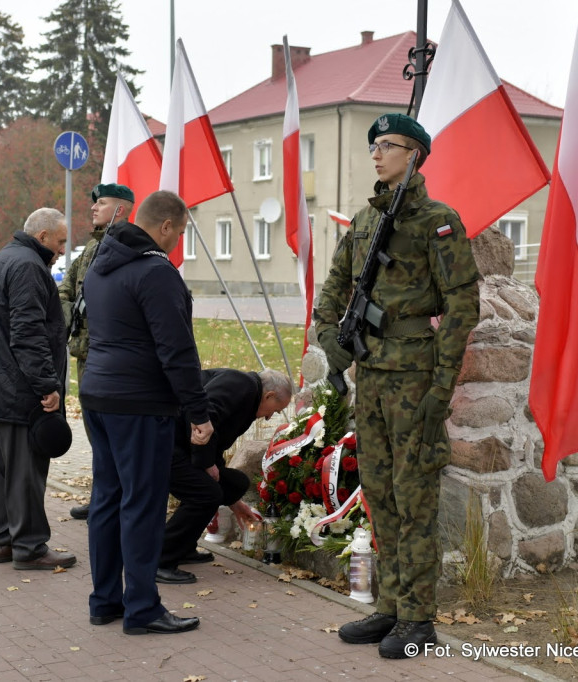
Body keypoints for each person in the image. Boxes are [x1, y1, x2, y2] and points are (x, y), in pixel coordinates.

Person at [313, 113, 480, 659]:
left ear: (415, 155)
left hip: (414, 378)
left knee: (415, 501)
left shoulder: (438, 221)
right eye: (374, 145)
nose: (377, 153)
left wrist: (440, 387)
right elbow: (334, 288)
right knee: (381, 496)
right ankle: (390, 605)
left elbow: (462, 306)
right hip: (372, 378)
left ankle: (418, 619)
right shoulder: (364, 221)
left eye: (389, 145)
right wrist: (334, 344)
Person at [80, 190, 214, 636]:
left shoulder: (101, 263)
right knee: (142, 505)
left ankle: (105, 601)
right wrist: (198, 412)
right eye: (179, 232)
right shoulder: (156, 271)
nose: (178, 241)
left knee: (108, 499)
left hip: (98, 394)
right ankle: (142, 609)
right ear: (165, 227)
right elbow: (176, 350)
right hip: (139, 403)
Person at [0, 208, 75, 570]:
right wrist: (48, 384)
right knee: (25, 471)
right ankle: (30, 547)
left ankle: (2, 541)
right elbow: (28, 333)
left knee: (4, 469)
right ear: (42, 237)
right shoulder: (27, 266)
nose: (61, 249)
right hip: (19, 390)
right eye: (59, 241)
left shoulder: (6, 258)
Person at [157, 368, 292, 584]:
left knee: (235, 484)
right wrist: (206, 463)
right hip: (165, 445)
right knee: (206, 494)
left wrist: (236, 504)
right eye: (275, 410)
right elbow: (202, 416)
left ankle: (183, 547)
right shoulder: (241, 386)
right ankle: (161, 558)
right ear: (269, 396)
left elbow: (217, 437)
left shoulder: (248, 393)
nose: (269, 417)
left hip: (185, 446)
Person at [57, 182, 135, 521]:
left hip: (113, 358)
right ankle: (102, 497)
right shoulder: (90, 249)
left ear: (121, 209)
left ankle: (121, 501)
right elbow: (64, 290)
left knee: (117, 434)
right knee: (96, 434)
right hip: (85, 355)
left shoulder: (130, 246)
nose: (93, 208)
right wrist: (68, 322)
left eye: (101, 203)